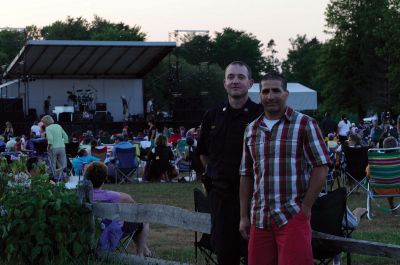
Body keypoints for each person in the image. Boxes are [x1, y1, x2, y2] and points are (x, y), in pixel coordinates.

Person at [239, 72, 330, 265]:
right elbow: (246, 174)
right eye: (266, 91)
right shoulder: (251, 129)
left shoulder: (305, 124)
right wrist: (244, 216)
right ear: (260, 95)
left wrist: (305, 207)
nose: (270, 96)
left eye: (276, 91)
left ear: (286, 94)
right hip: (260, 217)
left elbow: (321, 167)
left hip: (292, 215)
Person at [197, 61, 262, 265]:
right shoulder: (212, 115)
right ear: (224, 83)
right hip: (221, 198)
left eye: (241, 77)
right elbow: (203, 153)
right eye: (231, 77)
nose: (235, 81)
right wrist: (214, 175)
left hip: (254, 198)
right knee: (225, 254)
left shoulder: (260, 115)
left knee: (255, 254)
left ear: (250, 83)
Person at [85, 161, 151, 256]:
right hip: (112, 232)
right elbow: (131, 201)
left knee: (132, 222)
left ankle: (145, 249)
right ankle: (140, 254)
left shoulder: (82, 195)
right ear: (104, 179)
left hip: (90, 232)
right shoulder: (112, 196)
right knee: (143, 220)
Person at [366, 136, 400, 211]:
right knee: (393, 182)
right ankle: (392, 207)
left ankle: (392, 206)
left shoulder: (376, 159)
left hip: (379, 188)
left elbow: (368, 175)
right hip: (397, 186)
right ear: (396, 146)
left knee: (389, 182)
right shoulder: (398, 159)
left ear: (384, 147)